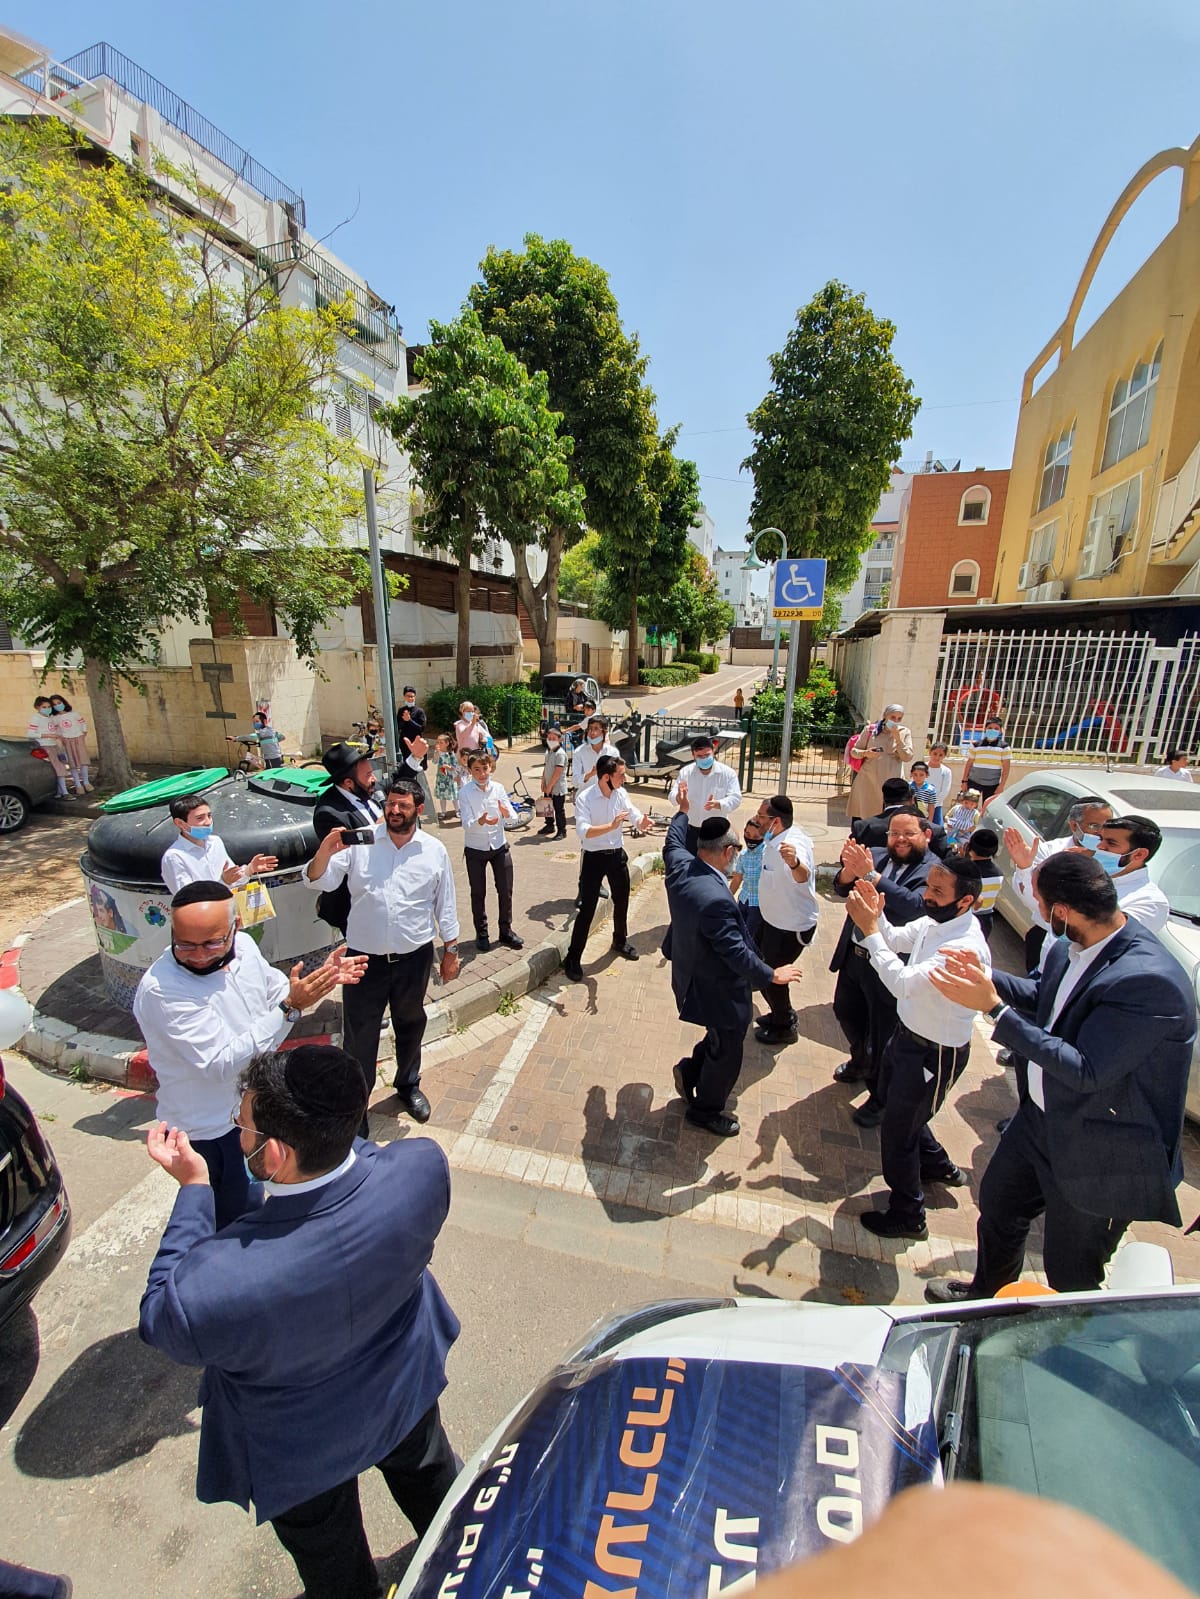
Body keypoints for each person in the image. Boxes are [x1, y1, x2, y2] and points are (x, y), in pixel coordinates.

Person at [139, 1044, 461, 1599]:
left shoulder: (221, 1280)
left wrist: (195, 1190)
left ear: (278, 1154)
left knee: (330, 1557)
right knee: (433, 1483)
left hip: (301, 1446)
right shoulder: (421, 1169)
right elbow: (362, 1158)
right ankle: (464, 1562)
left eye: (243, 1128)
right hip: (403, 1388)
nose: (239, 1137)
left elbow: (160, 1315)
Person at [924, 852, 1195, 1301]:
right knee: (998, 1208)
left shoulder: (1148, 982)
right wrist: (984, 978)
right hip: (1040, 1126)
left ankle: (1069, 1347)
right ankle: (988, 1300)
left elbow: (1086, 1070)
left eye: (1041, 904)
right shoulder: (1075, 946)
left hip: (1101, 1153)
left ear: (1064, 912)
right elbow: (1045, 997)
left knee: (1071, 1271)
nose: (1038, 911)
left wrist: (993, 1009)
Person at [132, 881, 366, 1226]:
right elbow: (221, 1064)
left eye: (212, 943)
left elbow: (275, 992)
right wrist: (289, 1007)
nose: (198, 954)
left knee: (254, 1203)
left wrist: (317, 982)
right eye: (185, 945)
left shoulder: (243, 948)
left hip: (248, 1116)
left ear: (235, 928)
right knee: (225, 1221)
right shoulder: (164, 991)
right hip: (208, 1130)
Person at [846, 857, 990, 1239]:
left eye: (938, 892)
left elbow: (904, 983)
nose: (927, 896)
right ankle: (937, 1165)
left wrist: (869, 930)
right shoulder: (935, 922)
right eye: (928, 887)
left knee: (898, 1133)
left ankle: (909, 1213)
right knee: (901, 1110)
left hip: (933, 1052)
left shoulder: (963, 948)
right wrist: (877, 919)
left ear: (966, 902)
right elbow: (895, 939)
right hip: (908, 1037)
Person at [306, 774, 460, 1125]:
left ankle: (408, 1085)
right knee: (359, 1035)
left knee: (410, 1024)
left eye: (403, 806)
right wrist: (324, 853)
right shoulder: (361, 844)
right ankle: (356, 1105)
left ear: (418, 810)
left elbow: (445, 904)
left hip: (414, 959)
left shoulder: (434, 850)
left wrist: (451, 949)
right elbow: (321, 880)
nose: (394, 810)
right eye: (390, 803)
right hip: (363, 961)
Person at [662, 811, 801, 1137]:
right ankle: (705, 1111)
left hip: (690, 974)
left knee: (718, 1036)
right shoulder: (714, 900)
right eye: (736, 849)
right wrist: (771, 976)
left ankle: (690, 1070)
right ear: (726, 852)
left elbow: (672, 841)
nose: (738, 856)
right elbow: (735, 952)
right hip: (716, 986)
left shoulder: (682, 866)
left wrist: (683, 810)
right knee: (728, 1049)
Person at [829, 814, 936, 1125]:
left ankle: (879, 1097)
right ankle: (860, 1060)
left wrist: (871, 876)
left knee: (884, 1034)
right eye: (894, 833)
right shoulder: (873, 856)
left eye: (908, 834)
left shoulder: (932, 869)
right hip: (855, 956)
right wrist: (849, 873)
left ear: (925, 835)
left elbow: (916, 905)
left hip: (889, 965)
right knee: (845, 1012)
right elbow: (839, 888)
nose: (900, 839)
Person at [563, 755, 652, 982]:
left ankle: (619, 940)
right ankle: (573, 958)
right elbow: (583, 831)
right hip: (593, 858)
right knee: (588, 908)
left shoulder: (620, 793)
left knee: (622, 899)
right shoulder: (585, 798)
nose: (625, 778)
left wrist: (642, 821)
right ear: (606, 777)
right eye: (621, 775)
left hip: (616, 856)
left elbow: (632, 812)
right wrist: (611, 826)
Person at [749, 794, 819, 1044]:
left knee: (773, 977)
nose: (757, 820)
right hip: (771, 921)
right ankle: (779, 1014)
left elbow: (803, 875)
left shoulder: (792, 845)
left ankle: (785, 1026)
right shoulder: (774, 838)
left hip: (789, 928)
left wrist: (794, 863)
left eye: (761, 817)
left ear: (775, 821)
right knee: (762, 971)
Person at [311, 741, 385, 936]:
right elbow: (346, 859)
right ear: (348, 783)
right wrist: (379, 828)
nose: (374, 779)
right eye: (368, 775)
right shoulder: (329, 814)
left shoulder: (363, 791)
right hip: (355, 907)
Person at [457, 752, 523, 952]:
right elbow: (467, 824)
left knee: (505, 890)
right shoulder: (465, 792)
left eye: (485, 768)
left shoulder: (499, 788)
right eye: (476, 769)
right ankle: (482, 932)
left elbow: (512, 817)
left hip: (499, 846)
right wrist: (481, 821)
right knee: (478, 893)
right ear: (470, 771)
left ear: (490, 768)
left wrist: (506, 813)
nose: (482, 773)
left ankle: (506, 931)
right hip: (475, 848)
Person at [160, 794, 277, 897]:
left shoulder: (215, 842)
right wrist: (223, 882)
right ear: (180, 823)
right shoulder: (175, 857)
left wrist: (249, 869)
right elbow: (188, 899)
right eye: (200, 818)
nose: (208, 822)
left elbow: (232, 879)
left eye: (209, 816)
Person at [1095, 814, 1170, 932]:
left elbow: (1104, 937)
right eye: (1101, 840)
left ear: (1139, 854)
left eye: (1111, 843)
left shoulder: (1149, 902)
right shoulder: (1087, 878)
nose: (1100, 847)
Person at [852, 776, 952, 859]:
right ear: (912, 799)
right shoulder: (934, 830)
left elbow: (848, 861)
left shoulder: (863, 827)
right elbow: (947, 864)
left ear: (884, 800)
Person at [669, 735, 742, 848]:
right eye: (699, 756)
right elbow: (672, 796)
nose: (704, 759)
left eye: (707, 755)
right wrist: (680, 797)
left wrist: (718, 804)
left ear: (713, 751)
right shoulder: (686, 772)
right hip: (691, 830)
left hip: (717, 833)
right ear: (693, 755)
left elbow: (736, 798)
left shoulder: (727, 773)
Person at [847, 703, 914, 821]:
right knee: (863, 819)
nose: (895, 721)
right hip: (868, 782)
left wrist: (898, 739)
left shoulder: (904, 732)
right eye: (893, 717)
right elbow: (854, 751)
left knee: (888, 821)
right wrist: (865, 753)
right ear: (885, 716)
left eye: (899, 718)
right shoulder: (871, 730)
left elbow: (907, 757)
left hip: (891, 786)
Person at [728, 812, 767, 936]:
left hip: (758, 905)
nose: (751, 839)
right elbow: (737, 879)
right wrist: (727, 897)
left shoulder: (767, 855)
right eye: (748, 834)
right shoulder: (744, 855)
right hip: (743, 900)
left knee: (749, 936)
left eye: (756, 837)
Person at [962, 716, 1011, 810]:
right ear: (985, 729)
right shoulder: (976, 745)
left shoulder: (1004, 747)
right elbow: (969, 763)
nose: (993, 730)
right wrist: (964, 781)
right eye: (990, 728)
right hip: (974, 782)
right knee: (969, 807)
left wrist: (1001, 785)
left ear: (1000, 731)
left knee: (988, 808)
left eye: (996, 728)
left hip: (992, 784)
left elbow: (1006, 767)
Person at [26, 696, 70, 797]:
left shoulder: (49, 718)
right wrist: (48, 736)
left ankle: (59, 792)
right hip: (45, 746)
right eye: (44, 707)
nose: (47, 709)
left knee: (60, 768)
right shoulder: (36, 718)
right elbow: (31, 734)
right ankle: (65, 792)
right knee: (58, 768)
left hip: (54, 745)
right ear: (37, 707)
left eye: (49, 707)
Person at [965, 828, 1003, 941]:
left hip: (966, 919)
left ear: (970, 847)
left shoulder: (966, 871)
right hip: (986, 920)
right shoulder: (999, 873)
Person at [48, 695, 92, 791]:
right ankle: (78, 785)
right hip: (66, 741)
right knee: (72, 763)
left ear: (64, 702)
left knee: (83, 761)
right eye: (54, 704)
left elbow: (82, 723)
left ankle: (86, 782)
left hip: (78, 738)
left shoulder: (74, 714)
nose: (57, 706)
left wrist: (84, 732)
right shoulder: (54, 718)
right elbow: (54, 729)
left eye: (59, 703)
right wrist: (60, 737)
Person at [539, 724, 569, 840]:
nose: (551, 741)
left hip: (557, 787)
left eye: (553, 739)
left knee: (558, 809)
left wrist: (550, 786)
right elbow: (546, 767)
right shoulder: (549, 752)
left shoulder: (560, 754)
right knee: (547, 806)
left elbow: (558, 771)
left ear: (559, 739)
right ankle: (549, 825)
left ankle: (562, 830)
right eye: (549, 738)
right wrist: (543, 782)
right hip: (548, 785)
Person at [432, 732, 464, 824]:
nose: (438, 744)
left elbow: (454, 765)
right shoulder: (438, 753)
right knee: (442, 796)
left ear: (447, 743)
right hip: (441, 778)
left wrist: (449, 768)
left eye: (441, 742)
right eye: (437, 742)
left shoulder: (451, 754)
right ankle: (443, 812)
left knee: (454, 795)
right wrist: (437, 753)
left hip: (449, 777)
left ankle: (457, 810)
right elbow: (434, 761)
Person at [925, 742, 954, 825]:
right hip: (920, 804)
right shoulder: (922, 767)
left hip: (936, 806)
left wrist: (932, 805)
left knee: (937, 829)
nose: (937, 757)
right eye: (935, 754)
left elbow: (945, 791)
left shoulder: (946, 771)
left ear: (944, 756)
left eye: (940, 755)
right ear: (930, 752)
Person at [396, 685, 427, 763]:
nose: (410, 699)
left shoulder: (419, 711)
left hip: (416, 742)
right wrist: (404, 720)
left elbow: (421, 728)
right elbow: (398, 726)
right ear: (404, 697)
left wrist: (409, 720)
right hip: (404, 742)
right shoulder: (401, 710)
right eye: (408, 696)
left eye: (412, 696)